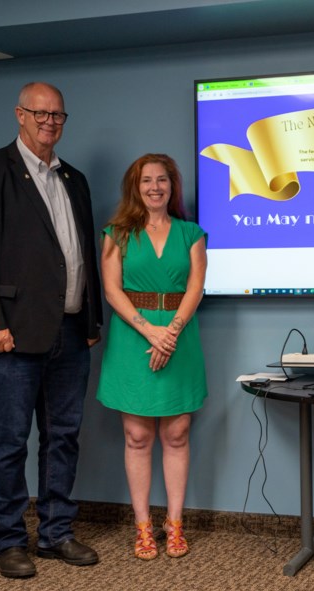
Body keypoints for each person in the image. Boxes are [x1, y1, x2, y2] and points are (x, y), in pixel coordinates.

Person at [0, 82, 104, 579]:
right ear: (19, 114)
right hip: (10, 335)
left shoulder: (73, 178)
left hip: (71, 331)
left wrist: (91, 318)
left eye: (58, 114)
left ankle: (56, 533)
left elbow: (80, 255)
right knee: (10, 439)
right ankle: (10, 539)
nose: (50, 122)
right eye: (40, 113)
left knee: (63, 437)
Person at [96, 154, 208, 560]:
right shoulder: (117, 233)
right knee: (137, 436)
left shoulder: (191, 233)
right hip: (133, 338)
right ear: (135, 186)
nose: (155, 187)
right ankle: (143, 526)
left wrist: (170, 334)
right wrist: (150, 332)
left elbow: (195, 288)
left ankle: (174, 524)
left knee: (176, 434)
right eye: (147, 180)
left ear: (172, 187)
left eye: (162, 180)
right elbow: (112, 290)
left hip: (179, 337)